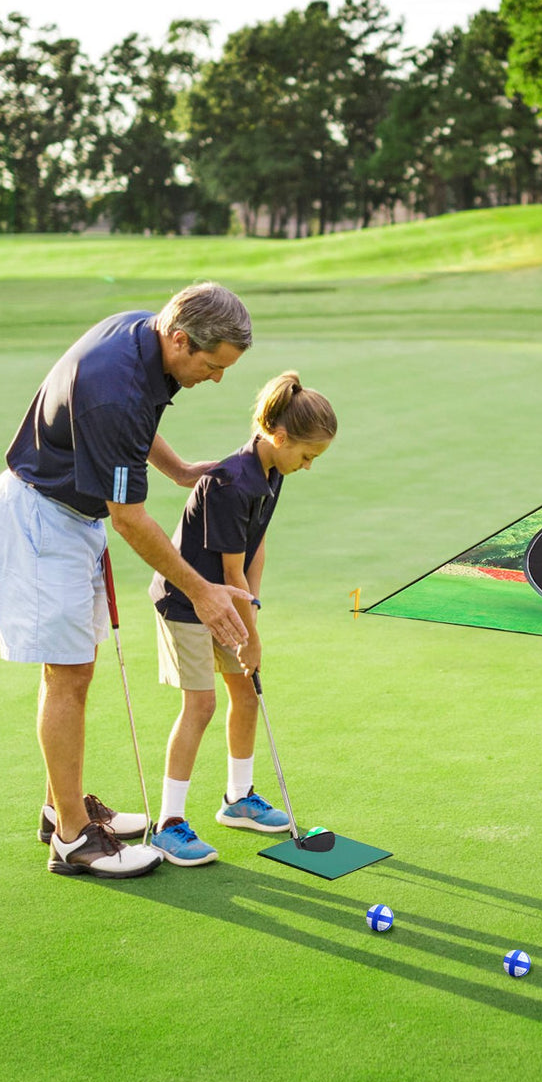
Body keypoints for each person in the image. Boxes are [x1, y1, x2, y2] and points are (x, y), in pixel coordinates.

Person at [0, 282, 255, 879]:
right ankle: (74, 839)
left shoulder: (145, 335)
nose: (215, 379)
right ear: (180, 339)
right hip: (39, 519)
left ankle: (64, 807)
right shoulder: (117, 386)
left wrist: (178, 468)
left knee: (72, 670)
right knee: (69, 674)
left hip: (67, 516)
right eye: (211, 366)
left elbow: (134, 427)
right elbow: (130, 519)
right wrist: (204, 593)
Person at [147, 371, 337, 866]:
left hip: (226, 597)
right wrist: (250, 639)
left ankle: (238, 799)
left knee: (246, 694)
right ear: (280, 437)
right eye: (308, 456)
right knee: (202, 705)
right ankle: (169, 823)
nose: (309, 466)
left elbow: (256, 552)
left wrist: (254, 614)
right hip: (186, 601)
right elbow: (230, 571)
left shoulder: (273, 471)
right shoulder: (233, 481)